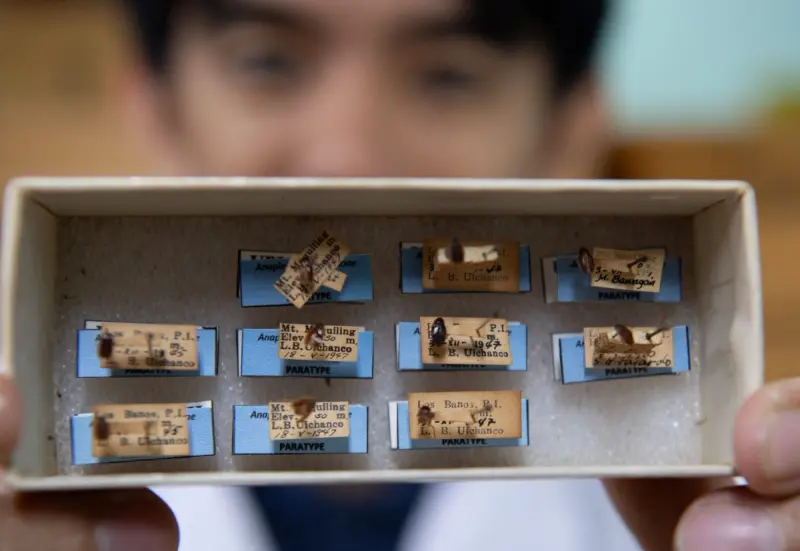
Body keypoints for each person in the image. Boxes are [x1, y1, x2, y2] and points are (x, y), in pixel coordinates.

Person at [1, 0, 798, 549]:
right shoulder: (44, 458)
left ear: (572, 130)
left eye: (448, 74)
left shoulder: (689, 506)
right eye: (267, 60)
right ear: (153, 109)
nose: (345, 155)